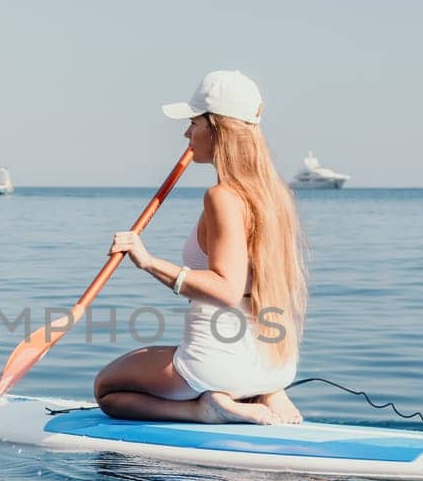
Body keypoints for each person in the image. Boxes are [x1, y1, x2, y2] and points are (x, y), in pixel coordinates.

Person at [95, 70, 306, 425]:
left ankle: (202, 409)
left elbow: (226, 289)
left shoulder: (222, 197)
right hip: (276, 364)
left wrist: (148, 262)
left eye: (193, 123)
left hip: (217, 364)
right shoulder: (276, 197)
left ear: (216, 129)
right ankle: (268, 395)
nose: (186, 134)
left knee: (108, 390)